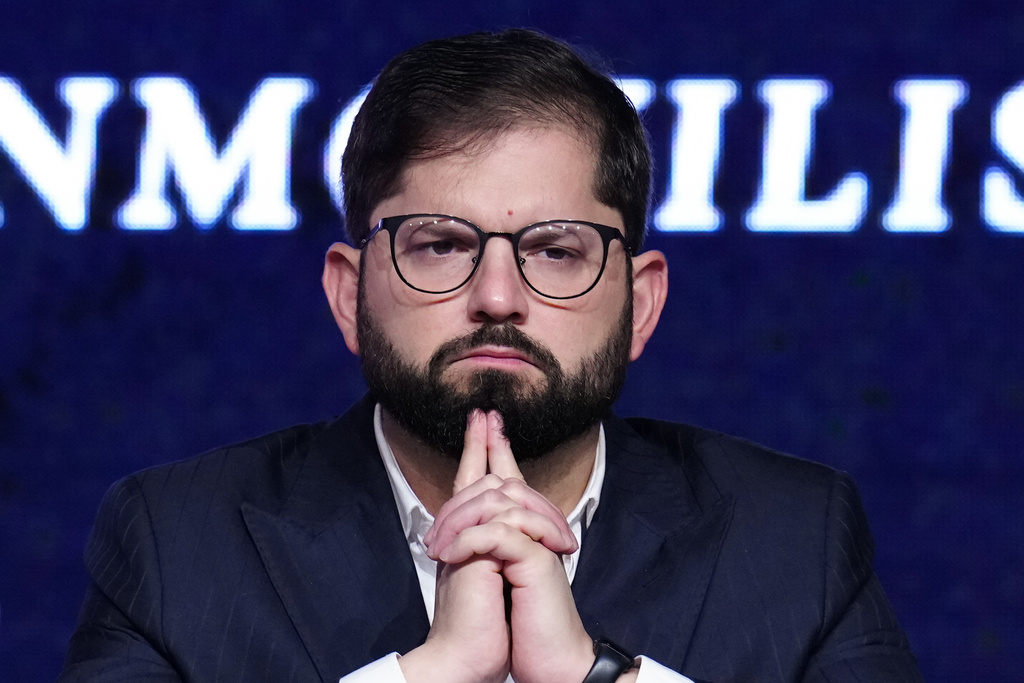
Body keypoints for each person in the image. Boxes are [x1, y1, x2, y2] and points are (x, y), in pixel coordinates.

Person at [60, 29, 922, 683]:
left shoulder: (796, 540)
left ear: (642, 303)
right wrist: (424, 676)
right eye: (440, 244)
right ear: (348, 294)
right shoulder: (176, 543)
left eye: (557, 249)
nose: (499, 296)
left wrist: (594, 678)